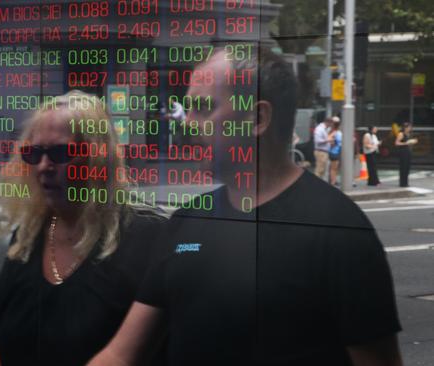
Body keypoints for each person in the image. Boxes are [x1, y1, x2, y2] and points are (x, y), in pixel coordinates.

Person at [89, 48, 402, 366]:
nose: (189, 124)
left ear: (257, 118)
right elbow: (121, 354)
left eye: (203, 109)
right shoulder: (185, 222)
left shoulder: (340, 230)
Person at [0, 90, 165, 366]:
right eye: (34, 153)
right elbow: (2, 351)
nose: (44, 166)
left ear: (98, 158)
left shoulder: (146, 237)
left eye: (60, 152)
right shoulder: (28, 236)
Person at [395, 122, 418, 187]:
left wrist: (413, 141)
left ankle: (405, 182)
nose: (410, 128)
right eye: (409, 127)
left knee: (407, 167)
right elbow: (396, 143)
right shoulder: (401, 134)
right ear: (405, 128)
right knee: (403, 167)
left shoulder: (408, 134)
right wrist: (406, 143)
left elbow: (409, 142)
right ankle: (402, 183)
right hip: (403, 152)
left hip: (407, 152)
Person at [328, 119, 342, 185]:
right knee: (333, 169)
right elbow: (329, 140)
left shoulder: (334, 132)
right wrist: (333, 143)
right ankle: (332, 182)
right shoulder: (336, 133)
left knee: (334, 168)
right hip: (334, 152)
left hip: (335, 152)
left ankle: (334, 181)